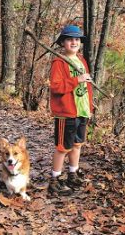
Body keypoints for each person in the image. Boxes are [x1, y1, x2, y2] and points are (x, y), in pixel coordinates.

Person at [48, 25, 93, 196]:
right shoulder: (59, 62)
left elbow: (87, 86)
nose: (74, 42)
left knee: (77, 145)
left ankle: (72, 175)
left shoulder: (81, 60)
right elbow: (56, 87)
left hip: (81, 111)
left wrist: (90, 106)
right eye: (69, 39)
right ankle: (55, 179)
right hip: (66, 112)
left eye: (77, 39)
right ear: (63, 42)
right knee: (63, 147)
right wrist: (77, 79)